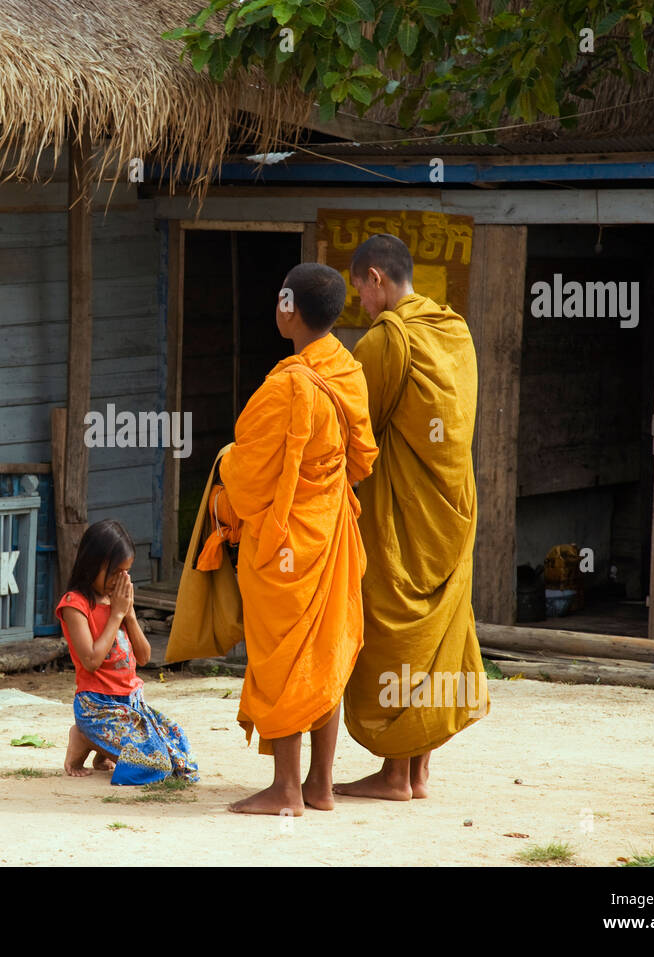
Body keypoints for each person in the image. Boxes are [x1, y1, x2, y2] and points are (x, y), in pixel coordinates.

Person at [208, 262, 379, 815]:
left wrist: (224, 475)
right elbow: (361, 458)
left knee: (285, 657)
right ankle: (321, 787)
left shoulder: (285, 387)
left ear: (289, 307)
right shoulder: (346, 370)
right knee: (323, 654)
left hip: (286, 543)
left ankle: (285, 790)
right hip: (330, 529)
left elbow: (249, 472)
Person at [337, 233, 490, 802]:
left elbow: (355, 427)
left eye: (360, 289)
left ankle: (395, 775)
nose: (361, 303)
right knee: (435, 634)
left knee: (396, 627)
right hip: (452, 510)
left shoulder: (387, 340)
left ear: (376, 277)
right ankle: (417, 772)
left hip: (401, 515)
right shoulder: (455, 332)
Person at [56, 519, 199, 785]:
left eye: (126, 572)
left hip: (131, 703)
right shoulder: (74, 605)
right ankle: (85, 736)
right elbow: (90, 661)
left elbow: (144, 657)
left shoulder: (119, 602)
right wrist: (116, 615)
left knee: (181, 760)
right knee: (154, 763)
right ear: (92, 564)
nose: (120, 580)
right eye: (114, 572)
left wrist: (129, 616)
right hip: (97, 706)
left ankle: (102, 749)